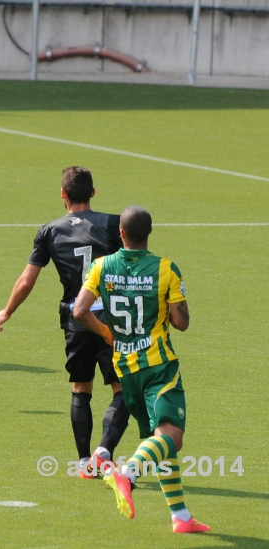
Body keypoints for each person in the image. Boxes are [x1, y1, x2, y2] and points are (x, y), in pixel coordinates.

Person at [74, 206, 210, 534]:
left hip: (126, 369)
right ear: (149, 234)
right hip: (158, 367)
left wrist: (107, 333)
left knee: (161, 439)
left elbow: (80, 310)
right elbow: (182, 323)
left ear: (121, 233)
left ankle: (180, 516)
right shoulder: (165, 269)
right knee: (172, 435)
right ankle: (128, 473)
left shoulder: (101, 266)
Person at [0, 167, 130, 477]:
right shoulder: (113, 225)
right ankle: (103, 452)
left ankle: (84, 463)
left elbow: (27, 280)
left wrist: (7, 311)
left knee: (81, 389)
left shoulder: (49, 231)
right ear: (92, 193)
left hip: (74, 319)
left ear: (63, 195)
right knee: (122, 391)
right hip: (112, 320)